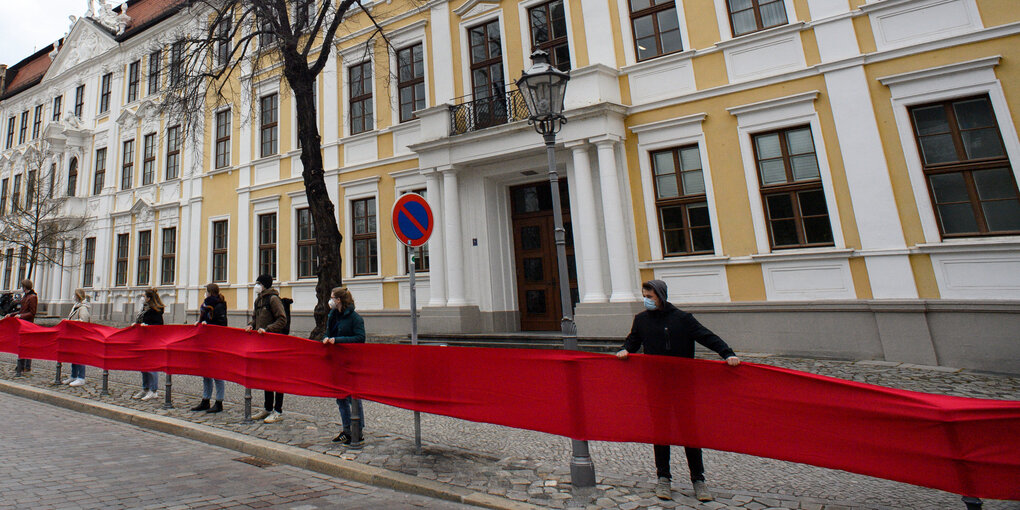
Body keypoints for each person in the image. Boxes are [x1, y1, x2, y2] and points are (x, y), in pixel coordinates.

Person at [616, 280, 740, 503]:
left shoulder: (683, 319)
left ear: (661, 297)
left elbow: (707, 337)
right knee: (661, 432)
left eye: (650, 297)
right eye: (644, 296)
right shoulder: (641, 320)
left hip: (683, 386)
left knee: (689, 432)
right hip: (656, 386)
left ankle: (698, 480)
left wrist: (727, 353)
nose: (646, 300)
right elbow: (632, 342)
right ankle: (663, 477)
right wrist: (624, 350)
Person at [322, 287, 366, 444]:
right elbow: (328, 332)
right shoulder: (333, 316)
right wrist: (327, 338)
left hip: (350, 362)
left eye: (332, 297)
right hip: (336, 362)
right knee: (340, 398)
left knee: (352, 397)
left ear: (338, 300)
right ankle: (346, 429)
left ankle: (358, 430)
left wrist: (338, 341)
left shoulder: (355, 318)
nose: (330, 300)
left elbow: (360, 338)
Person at [245, 274, 288, 423]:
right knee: (266, 377)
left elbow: (282, 319)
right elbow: (256, 318)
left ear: (264, 285)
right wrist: (252, 325)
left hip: (274, 343)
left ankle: (278, 410)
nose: (256, 285)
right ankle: (268, 408)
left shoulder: (273, 299)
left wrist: (268, 329)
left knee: (277, 377)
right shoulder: (259, 300)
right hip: (262, 344)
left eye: (258, 283)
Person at [192, 283, 229, 414]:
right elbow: (203, 318)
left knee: (217, 374)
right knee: (205, 373)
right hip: (205, 342)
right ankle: (205, 399)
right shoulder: (205, 305)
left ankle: (219, 402)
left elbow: (222, 324)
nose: (204, 293)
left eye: (206, 291)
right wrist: (200, 323)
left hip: (216, 343)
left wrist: (208, 324)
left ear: (210, 292)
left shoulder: (219, 305)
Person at [132, 289, 164, 401]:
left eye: (144, 296)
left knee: (151, 366)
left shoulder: (156, 310)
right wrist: (136, 325)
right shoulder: (144, 308)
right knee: (143, 366)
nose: (142, 297)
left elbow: (159, 325)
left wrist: (148, 326)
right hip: (142, 340)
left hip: (152, 341)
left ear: (149, 298)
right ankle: (145, 388)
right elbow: (140, 320)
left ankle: (153, 390)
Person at [6, 279, 38, 375]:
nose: (21, 288)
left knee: (26, 346)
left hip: (28, 324)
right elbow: (22, 311)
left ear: (25, 287)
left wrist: (21, 316)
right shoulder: (26, 296)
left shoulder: (32, 297)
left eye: (22, 286)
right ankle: (20, 365)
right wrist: (11, 314)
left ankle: (26, 366)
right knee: (21, 345)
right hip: (22, 324)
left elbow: (32, 313)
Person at [63, 289, 92, 387]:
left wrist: (71, 322)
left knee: (80, 357)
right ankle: (73, 375)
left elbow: (83, 321)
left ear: (78, 296)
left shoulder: (83, 308)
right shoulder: (76, 307)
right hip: (73, 336)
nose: (73, 297)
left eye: (74, 295)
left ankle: (81, 377)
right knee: (74, 356)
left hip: (80, 336)